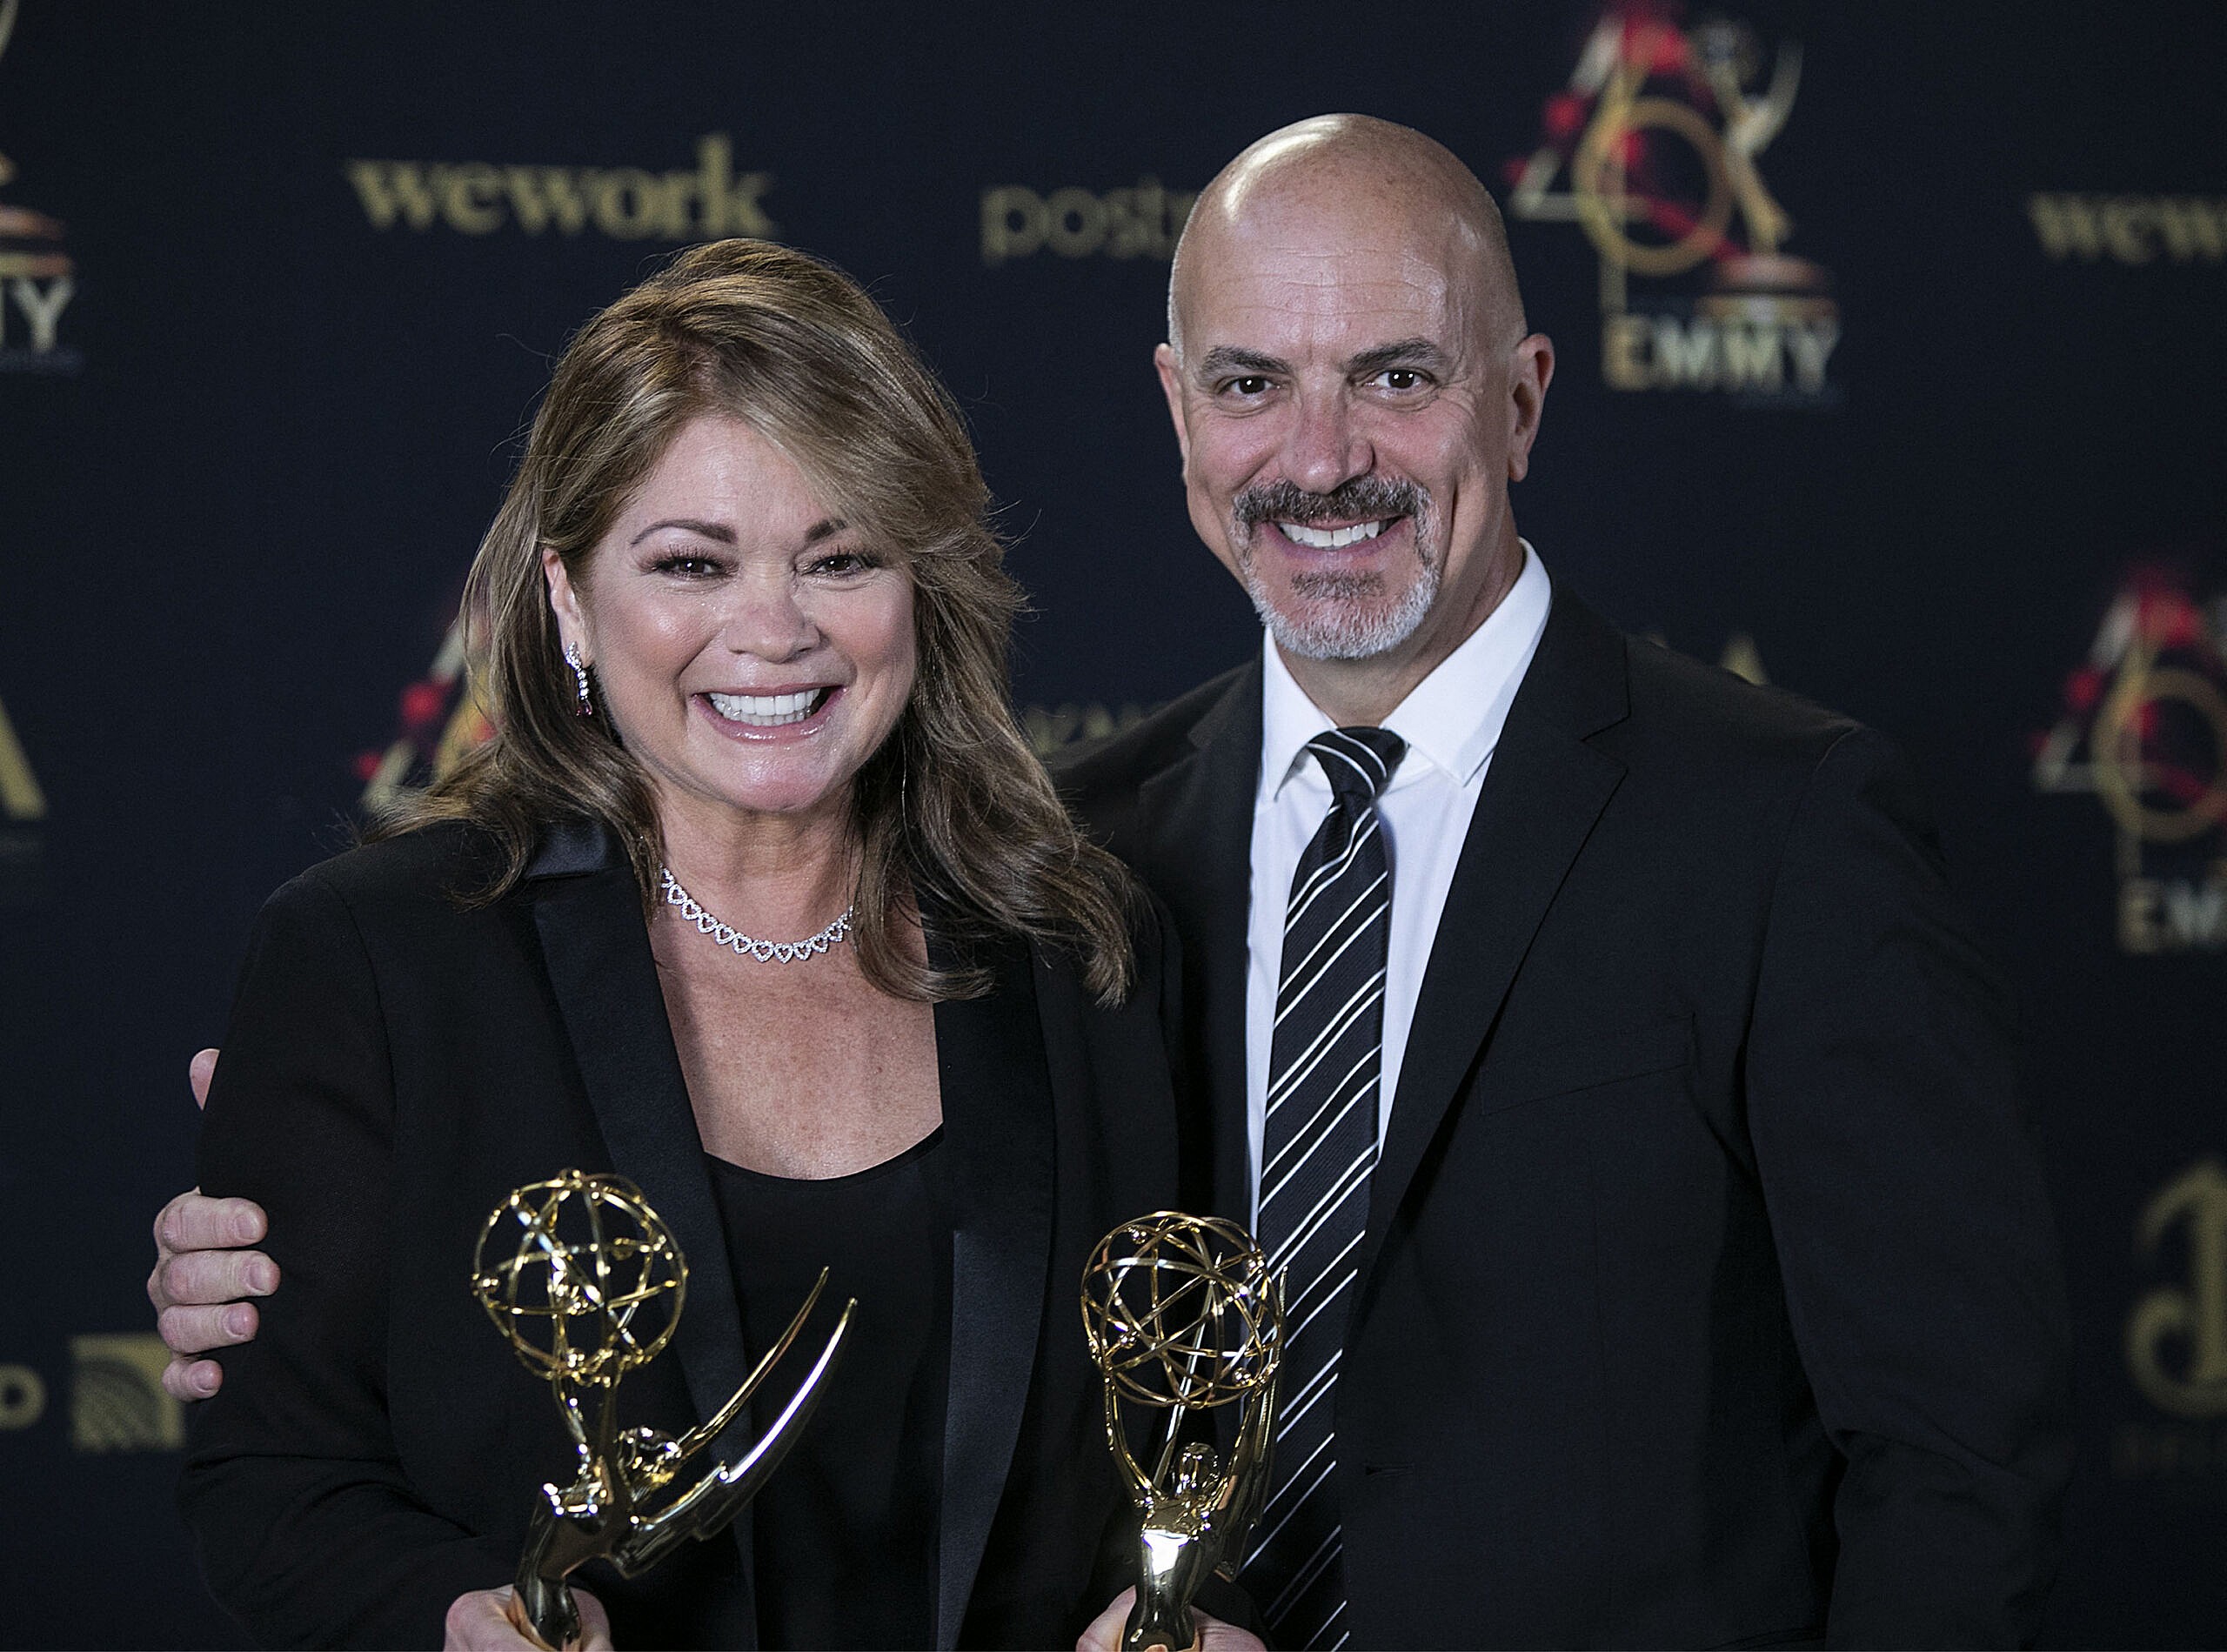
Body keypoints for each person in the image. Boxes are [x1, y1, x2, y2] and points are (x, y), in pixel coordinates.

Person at [158, 117, 2076, 1649]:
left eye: (1395, 376)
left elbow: (1953, 1456)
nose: (1318, 457)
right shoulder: (1096, 862)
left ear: (1521, 397)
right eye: (1252, 380)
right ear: (1175, 411)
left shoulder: (1779, 823)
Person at [169, 237, 1207, 1651]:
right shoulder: (379, 962)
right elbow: (274, 1484)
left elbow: (1211, 1420)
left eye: (839, 556)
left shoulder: (1085, 954)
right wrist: (456, 1622)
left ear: (923, 589)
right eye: (691, 563)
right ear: (567, 599)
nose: (772, 630)